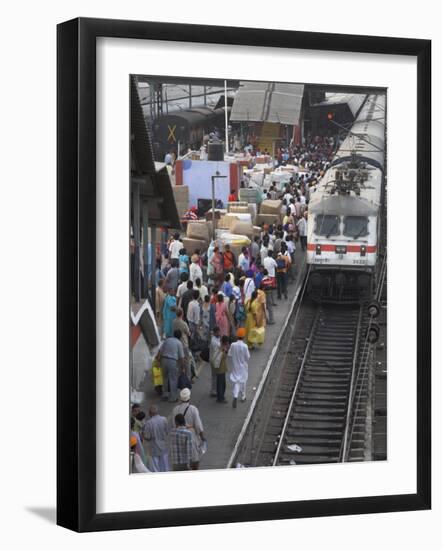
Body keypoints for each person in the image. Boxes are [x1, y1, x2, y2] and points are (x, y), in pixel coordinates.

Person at [172, 388, 206, 470]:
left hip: (178, 433)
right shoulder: (193, 409)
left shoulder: (175, 409)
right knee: (194, 457)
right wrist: (202, 437)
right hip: (191, 433)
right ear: (189, 398)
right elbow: (198, 425)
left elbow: (173, 424)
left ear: (181, 398)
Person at [158, 329, 185, 402]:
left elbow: (160, 351)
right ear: (180, 336)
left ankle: (165, 394)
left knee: (165, 378)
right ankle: (173, 397)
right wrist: (183, 368)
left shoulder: (167, 340)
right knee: (173, 379)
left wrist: (158, 361)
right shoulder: (179, 343)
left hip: (164, 359)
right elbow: (182, 357)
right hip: (172, 361)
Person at [228, 328, 251, 408]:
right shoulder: (245, 346)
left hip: (235, 366)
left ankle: (236, 395)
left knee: (236, 382)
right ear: (244, 336)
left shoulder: (233, 345)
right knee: (243, 381)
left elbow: (229, 354)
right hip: (243, 367)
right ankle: (243, 396)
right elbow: (248, 357)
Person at [143, 405, 169, 472]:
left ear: (149, 413)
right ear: (157, 412)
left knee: (155, 468)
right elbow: (167, 432)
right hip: (163, 446)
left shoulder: (148, 423)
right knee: (165, 466)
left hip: (154, 448)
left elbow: (148, 437)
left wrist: (142, 435)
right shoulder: (164, 419)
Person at [216, 335, 230, 403]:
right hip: (220, 368)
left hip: (221, 368)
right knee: (221, 384)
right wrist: (225, 351)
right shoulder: (221, 348)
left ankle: (220, 396)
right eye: (227, 342)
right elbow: (222, 357)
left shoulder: (221, 347)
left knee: (221, 383)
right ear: (225, 342)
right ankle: (220, 398)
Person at [209, 326, 222, 397]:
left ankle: (215, 390)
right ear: (214, 333)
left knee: (215, 376)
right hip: (214, 361)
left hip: (216, 359)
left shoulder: (217, 338)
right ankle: (213, 391)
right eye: (217, 332)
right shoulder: (213, 341)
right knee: (214, 376)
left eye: (219, 332)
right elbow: (219, 346)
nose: (218, 333)